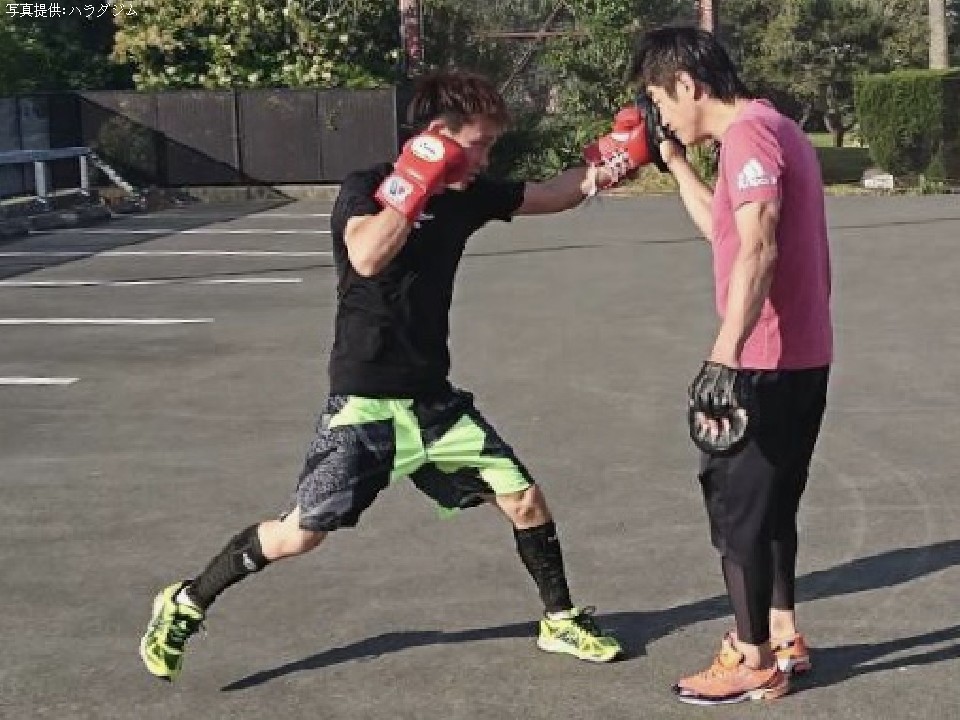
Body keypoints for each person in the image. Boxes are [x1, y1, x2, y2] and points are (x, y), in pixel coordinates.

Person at [139, 70, 660, 682]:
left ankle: (560, 619)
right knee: (300, 534)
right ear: (439, 134)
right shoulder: (366, 187)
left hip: (434, 403)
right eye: (480, 143)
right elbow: (366, 254)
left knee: (522, 497)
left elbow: (554, 193)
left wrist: (617, 159)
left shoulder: (470, 194)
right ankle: (187, 599)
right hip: (364, 404)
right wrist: (417, 180)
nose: (486, 158)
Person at [628, 27, 833, 705]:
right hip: (800, 356)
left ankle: (753, 660)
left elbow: (761, 245)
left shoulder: (748, 137)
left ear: (687, 84)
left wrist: (724, 355)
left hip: (762, 360)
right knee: (770, 508)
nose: (662, 111)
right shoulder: (775, 128)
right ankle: (783, 635)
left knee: (737, 512)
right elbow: (727, 231)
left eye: (662, 98)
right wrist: (676, 164)